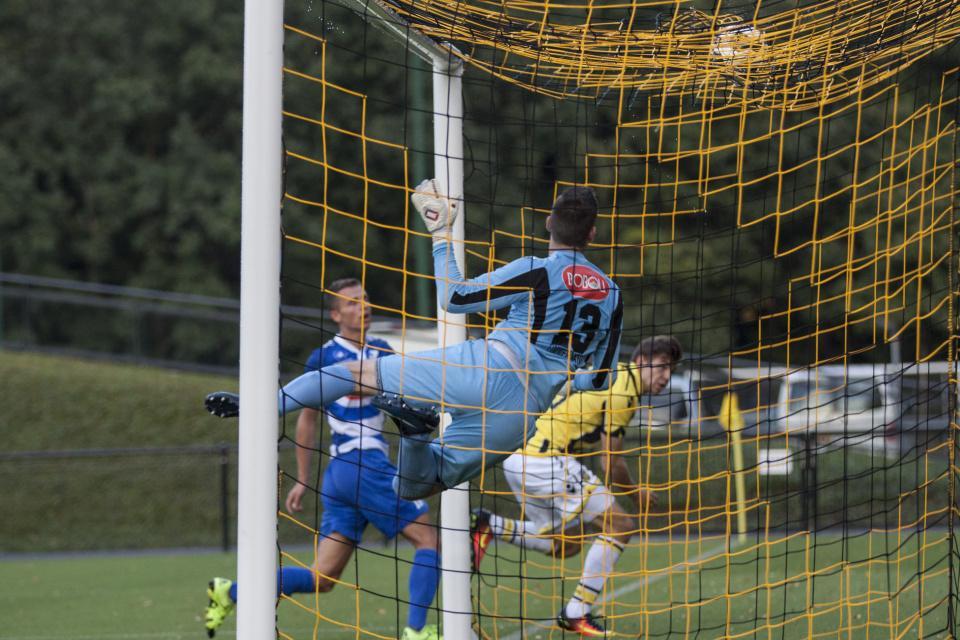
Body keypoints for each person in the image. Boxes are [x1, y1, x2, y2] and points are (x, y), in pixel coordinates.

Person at [206, 179, 623, 500]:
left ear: (549, 222)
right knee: (417, 487)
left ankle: (266, 406)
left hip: (480, 369)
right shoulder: (612, 294)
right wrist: (568, 376)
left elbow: (455, 298)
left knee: (352, 373)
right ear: (592, 234)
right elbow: (602, 379)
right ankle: (415, 434)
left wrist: (440, 234)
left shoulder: (537, 269)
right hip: (520, 413)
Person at [204, 278, 442, 640]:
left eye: (365, 298)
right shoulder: (324, 357)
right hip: (362, 466)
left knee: (323, 577)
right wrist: (303, 478)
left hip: (346, 475)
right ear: (335, 315)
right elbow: (307, 418)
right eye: (351, 302)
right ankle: (417, 632)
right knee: (428, 541)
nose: (363, 306)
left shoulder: (383, 350)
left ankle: (231, 591)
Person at [471, 336, 682, 637]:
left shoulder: (614, 374)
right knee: (621, 525)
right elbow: (611, 464)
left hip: (518, 458)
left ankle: (489, 524)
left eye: (670, 369)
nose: (666, 376)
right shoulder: (625, 387)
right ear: (641, 361)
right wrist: (638, 495)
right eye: (662, 366)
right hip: (545, 459)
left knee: (566, 545)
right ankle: (576, 613)